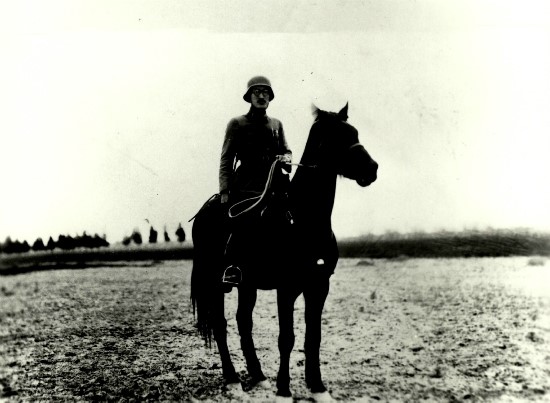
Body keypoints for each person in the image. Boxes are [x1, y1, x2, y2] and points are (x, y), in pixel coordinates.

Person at [219, 76, 292, 285]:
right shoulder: (237, 123)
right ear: (249, 97)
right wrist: (224, 190)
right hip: (247, 185)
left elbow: (286, 150)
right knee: (244, 219)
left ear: (270, 97)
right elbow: (226, 157)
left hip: (275, 183)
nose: (261, 96)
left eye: (265, 92)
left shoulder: (277, 124)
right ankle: (233, 267)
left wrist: (286, 158)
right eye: (257, 92)